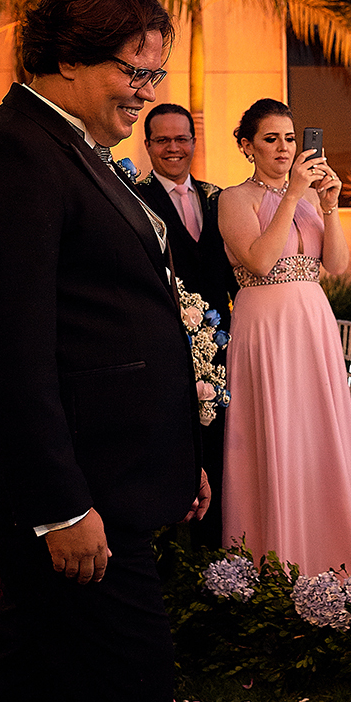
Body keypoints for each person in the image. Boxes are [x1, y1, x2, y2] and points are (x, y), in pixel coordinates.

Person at [0, 0, 207, 702]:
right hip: (76, 503)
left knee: (29, 676)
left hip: (108, 480)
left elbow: (105, 329)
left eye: (155, 76)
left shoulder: (73, 151)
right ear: (70, 59)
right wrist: (59, 508)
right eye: (135, 71)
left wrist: (176, 449)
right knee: (133, 699)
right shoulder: (5, 158)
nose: (147, 94)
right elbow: (2, 356)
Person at [217, 98, 351, 584]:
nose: (284, 148)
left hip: (312, 321)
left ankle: (331, 551)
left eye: (290, 138)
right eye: (270, 139)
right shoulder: (233, 199)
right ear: (247, 146)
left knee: (319, 434)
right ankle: (274, 558)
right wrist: (291, 197)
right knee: (273, 433)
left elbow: (339, 265)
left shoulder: (308, 198)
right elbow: (260, 262)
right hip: (265, 326)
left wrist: (329, 206)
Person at [137, 102, 238, 550]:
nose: (173, 148)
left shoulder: (219, 199)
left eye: (181, 138)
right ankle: (170, 549)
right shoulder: (136, 200)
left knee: (221, 446)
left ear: (194, 143)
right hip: (166, 346)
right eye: (163, 140)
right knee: (174, 444)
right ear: (148, 145)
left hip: (223, 343)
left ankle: (218, 545)